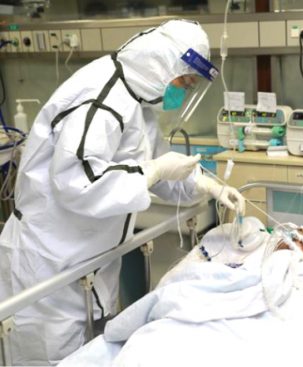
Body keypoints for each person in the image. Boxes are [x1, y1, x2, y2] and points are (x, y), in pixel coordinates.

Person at [0, 20, 245, 365]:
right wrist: (154, 171)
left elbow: (153, 162)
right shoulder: (99, 99)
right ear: (161, 64)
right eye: (184, 81)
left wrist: (205, 184)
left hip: (88, 262)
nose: (183, 92)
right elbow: (79, 183)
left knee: (90, 354)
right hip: (50, 263)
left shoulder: (137, 102)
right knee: (49, 358)